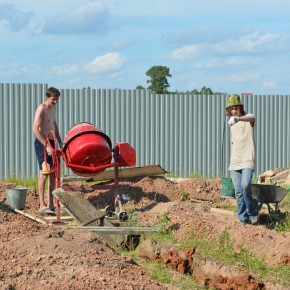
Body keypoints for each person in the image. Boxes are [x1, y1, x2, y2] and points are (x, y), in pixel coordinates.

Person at [226, 94, 259, 225]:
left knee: (245, 185)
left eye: (236, 108)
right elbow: (233, 143)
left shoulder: (247, 119)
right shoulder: (231, 125)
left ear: (240, 108)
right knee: (239, 193)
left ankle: (252, 212)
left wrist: (238, 119)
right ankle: (243, 219)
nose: (234, 111)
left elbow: (253, 117)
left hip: (247, 160)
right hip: (235, 162)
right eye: (231, 109)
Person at [33, 87, 62, 214]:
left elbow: (54, 125)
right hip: (42, 143)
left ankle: (50, 204)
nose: (55, 102)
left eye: (56, 100)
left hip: (52, 142)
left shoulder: (53, 108)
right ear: (47, 97)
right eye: (53, 100)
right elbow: (35, 129)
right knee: (44, 173)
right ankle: (42, 205)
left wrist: (60, 141)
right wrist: (47, 146)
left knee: (53, 174)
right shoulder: (42, 108)